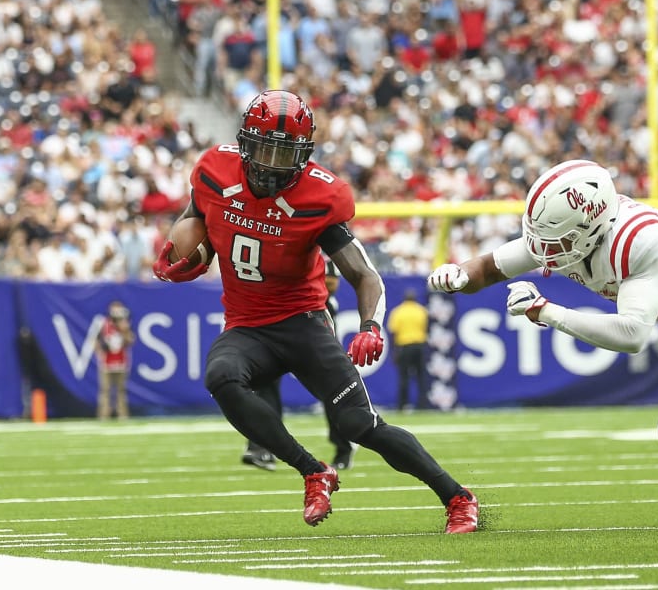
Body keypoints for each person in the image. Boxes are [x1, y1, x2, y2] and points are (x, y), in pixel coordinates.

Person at [152, 89, 478, 533]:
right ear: (245, 144)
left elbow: (365, 275)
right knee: (221, 376)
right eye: (264, 149)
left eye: (284, 155)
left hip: (303, 324)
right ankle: (313, 471)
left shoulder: (319, 197)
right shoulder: (213, 172)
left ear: (303, 157)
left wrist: (370, 326)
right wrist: (183, 252)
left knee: (360, 425)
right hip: (247, 326)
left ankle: (458, 497)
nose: (271, 164)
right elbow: (197, 220)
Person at [428, 159, 658, 463]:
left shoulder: (636, 241)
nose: (542, 250)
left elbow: (632, 335)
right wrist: (459, 275)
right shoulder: (570, 234)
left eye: (555, 240)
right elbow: (488, 268)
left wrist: (546, 312)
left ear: (589, 229)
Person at [242, 257, 358, 471]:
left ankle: (344, 447)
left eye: (329, 279)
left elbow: (330, 284)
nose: (328, 282)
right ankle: (261, 448)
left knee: (333, 396)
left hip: (310, 348)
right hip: (280, 339)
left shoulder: (324, 294)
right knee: (263, 389)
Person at [387, 288, 430, 410]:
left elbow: (393, 333)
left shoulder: (398, 312)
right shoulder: (421, 311)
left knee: (404, 377)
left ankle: (402, 405)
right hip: (420, 345)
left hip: (404, 346)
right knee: (421, 377)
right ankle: (422, 405)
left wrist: (393, 351)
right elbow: (426, 329)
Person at [96, 300, 135, 420]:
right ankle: (104, 415)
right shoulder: (104, 324)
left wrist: (124, 330)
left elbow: (131, 341)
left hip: (121, 362)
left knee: (121, 391)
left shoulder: (125, 324)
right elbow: (97, 341)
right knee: (105, 391)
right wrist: (100, 354)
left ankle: (122, 415)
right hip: (107, 363)